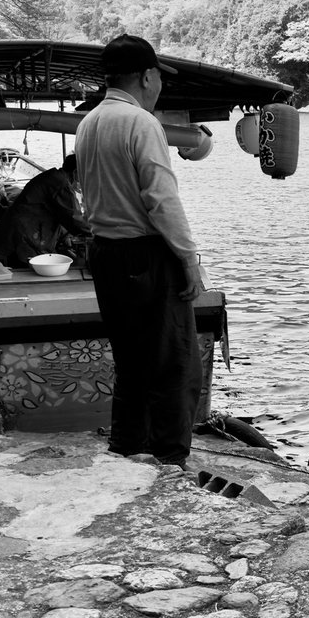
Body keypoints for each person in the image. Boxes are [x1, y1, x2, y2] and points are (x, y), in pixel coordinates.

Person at [74, 34, 203, 470]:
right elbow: (161, 200)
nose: (159, 86)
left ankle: (127, 451)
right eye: (158, 78)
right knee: (174, 365)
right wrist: (188, 258)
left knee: (130, 361)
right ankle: (171, 461)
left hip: (106, 255)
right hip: (147, 256)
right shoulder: (142, 123)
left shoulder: (88, 123)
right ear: (148, 77)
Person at [0, 154, 90, 267]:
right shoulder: (60, 184)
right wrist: (97, 232)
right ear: (76, 173)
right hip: (24, 234)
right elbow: (74, 219)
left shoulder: (53, 177)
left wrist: (65, 234)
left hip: (22, 230)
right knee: (28, 274)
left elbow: (60, 213)